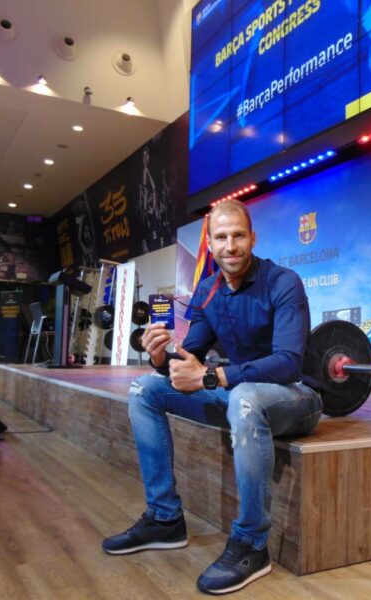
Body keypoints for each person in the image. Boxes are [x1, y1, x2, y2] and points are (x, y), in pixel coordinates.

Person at [102, 200, 324, 594]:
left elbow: (288, 363)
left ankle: (252, 543)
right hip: (238, 396)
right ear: (210, 243)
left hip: (297, 398)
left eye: (238, 235)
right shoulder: (208, 290)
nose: (230, 245)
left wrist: (213, 376)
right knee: (144, 390)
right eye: (221, 237)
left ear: (253, 238)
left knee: (245, 397)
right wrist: (160, 358)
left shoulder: (283, 282)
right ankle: (165, 518)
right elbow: (191, 360)